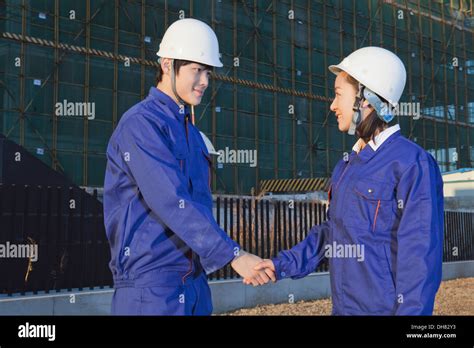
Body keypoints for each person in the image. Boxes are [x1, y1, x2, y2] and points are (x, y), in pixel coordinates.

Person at [249, 47, 444, 315]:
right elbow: (332, 234)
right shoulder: (347, 165)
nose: (332, 105)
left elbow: (420, 259)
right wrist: (281, 264)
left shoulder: (412, 163)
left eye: (339, 94)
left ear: (366, 98)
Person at [103, 18, 270, 316]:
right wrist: (233, 254)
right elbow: (170, 199)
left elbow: (199, 207)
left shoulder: (192, 134)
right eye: (196, 69)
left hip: (194, 283)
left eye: (208, 72)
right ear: (167, 65)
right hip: (151, 288)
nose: (205, 81)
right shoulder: (140, 124)